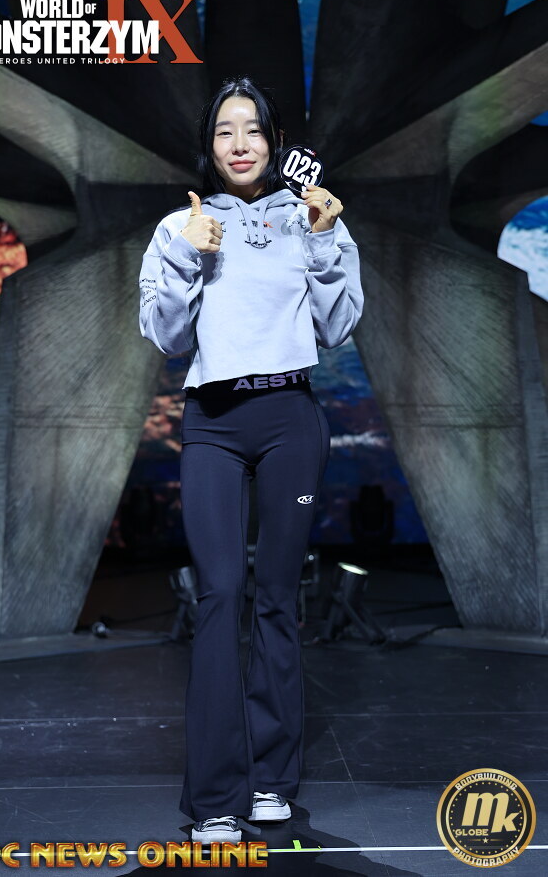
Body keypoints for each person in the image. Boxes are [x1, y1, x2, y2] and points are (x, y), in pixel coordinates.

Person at [138, 75, 363, 845]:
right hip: (213, 422)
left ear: (275, 141)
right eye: (225, 131)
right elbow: (167, 337)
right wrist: (189, 257)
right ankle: (214, 798)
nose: (240, 144)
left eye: (253, 130)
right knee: (220, 594)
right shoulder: (181, 225)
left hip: (290, 418)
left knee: (276, 597)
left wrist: (326, 238)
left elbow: (337, 326)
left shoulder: (311, 217)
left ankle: (271, 780)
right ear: (209, 146)